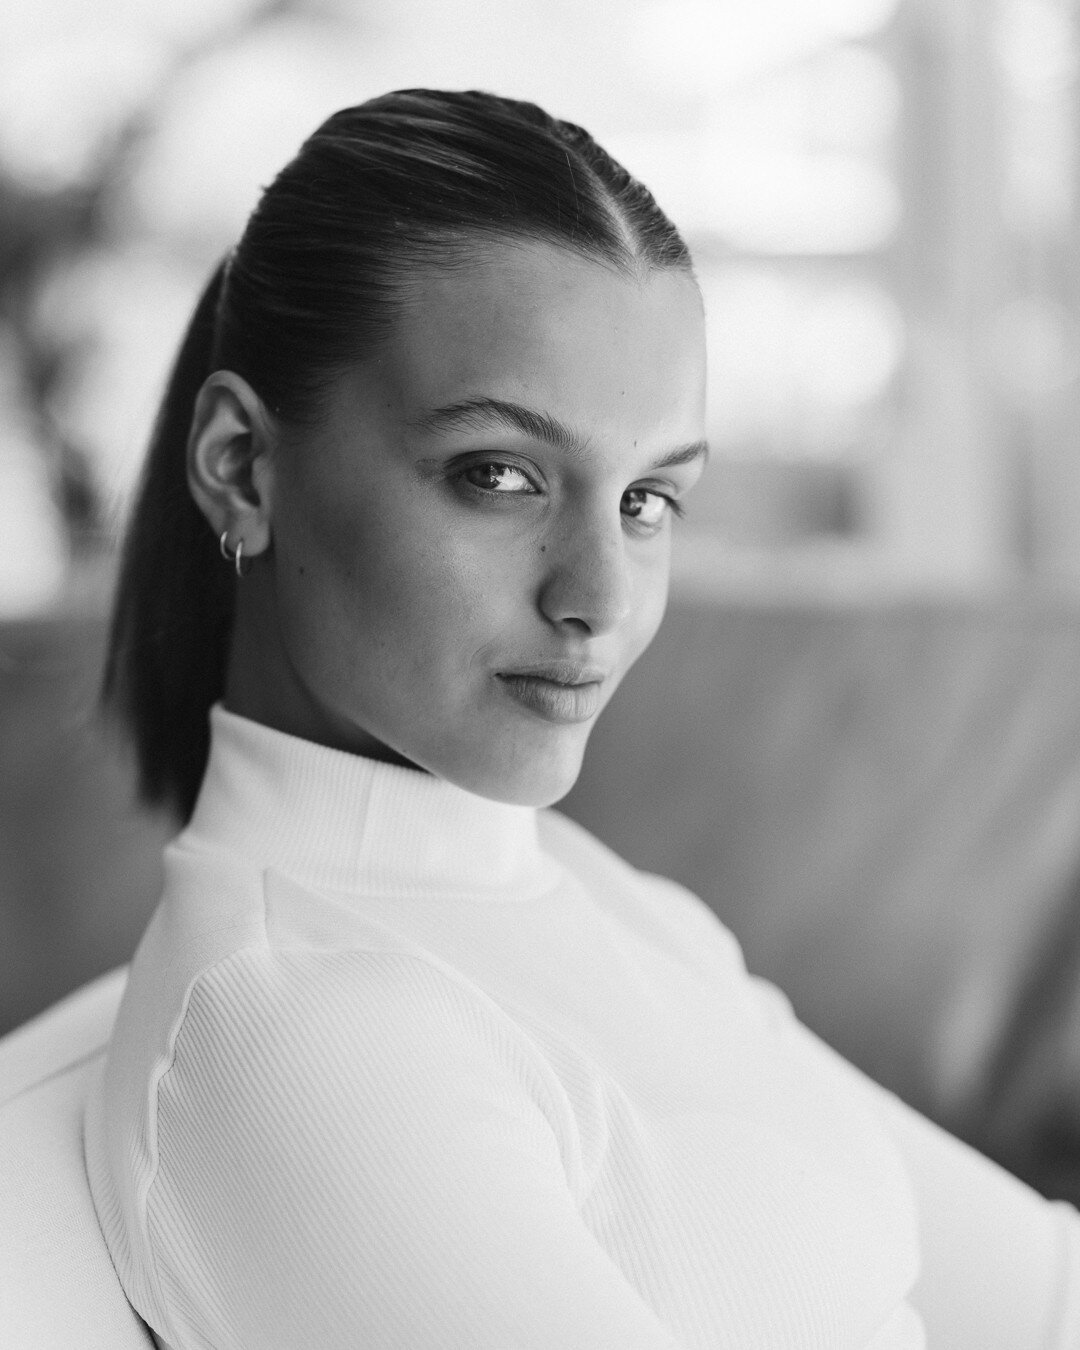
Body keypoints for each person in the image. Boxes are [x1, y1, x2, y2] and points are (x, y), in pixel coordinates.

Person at [85, 88, 1080, 1350]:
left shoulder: (572, 886)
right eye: (498, 476)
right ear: (239, 462)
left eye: (652, 498)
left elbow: (1043, 1295)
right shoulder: (302, 1037)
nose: (600, 597)